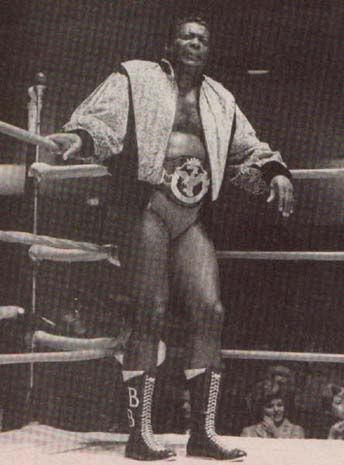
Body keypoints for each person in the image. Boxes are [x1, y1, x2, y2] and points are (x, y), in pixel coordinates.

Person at [48, 15, 294, 461]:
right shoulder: (135, 76)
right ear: (170, 43)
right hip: (145, 204)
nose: (194, 43)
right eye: (186, 35)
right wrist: (79, 137)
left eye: (202, 38)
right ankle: (138, 435)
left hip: (191, 212)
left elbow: (248, 147)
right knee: (150, 311)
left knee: (210, 309)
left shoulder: (220, 98)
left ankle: (202, 433)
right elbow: (99, 123)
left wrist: (275, 171)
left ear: (209, 48)